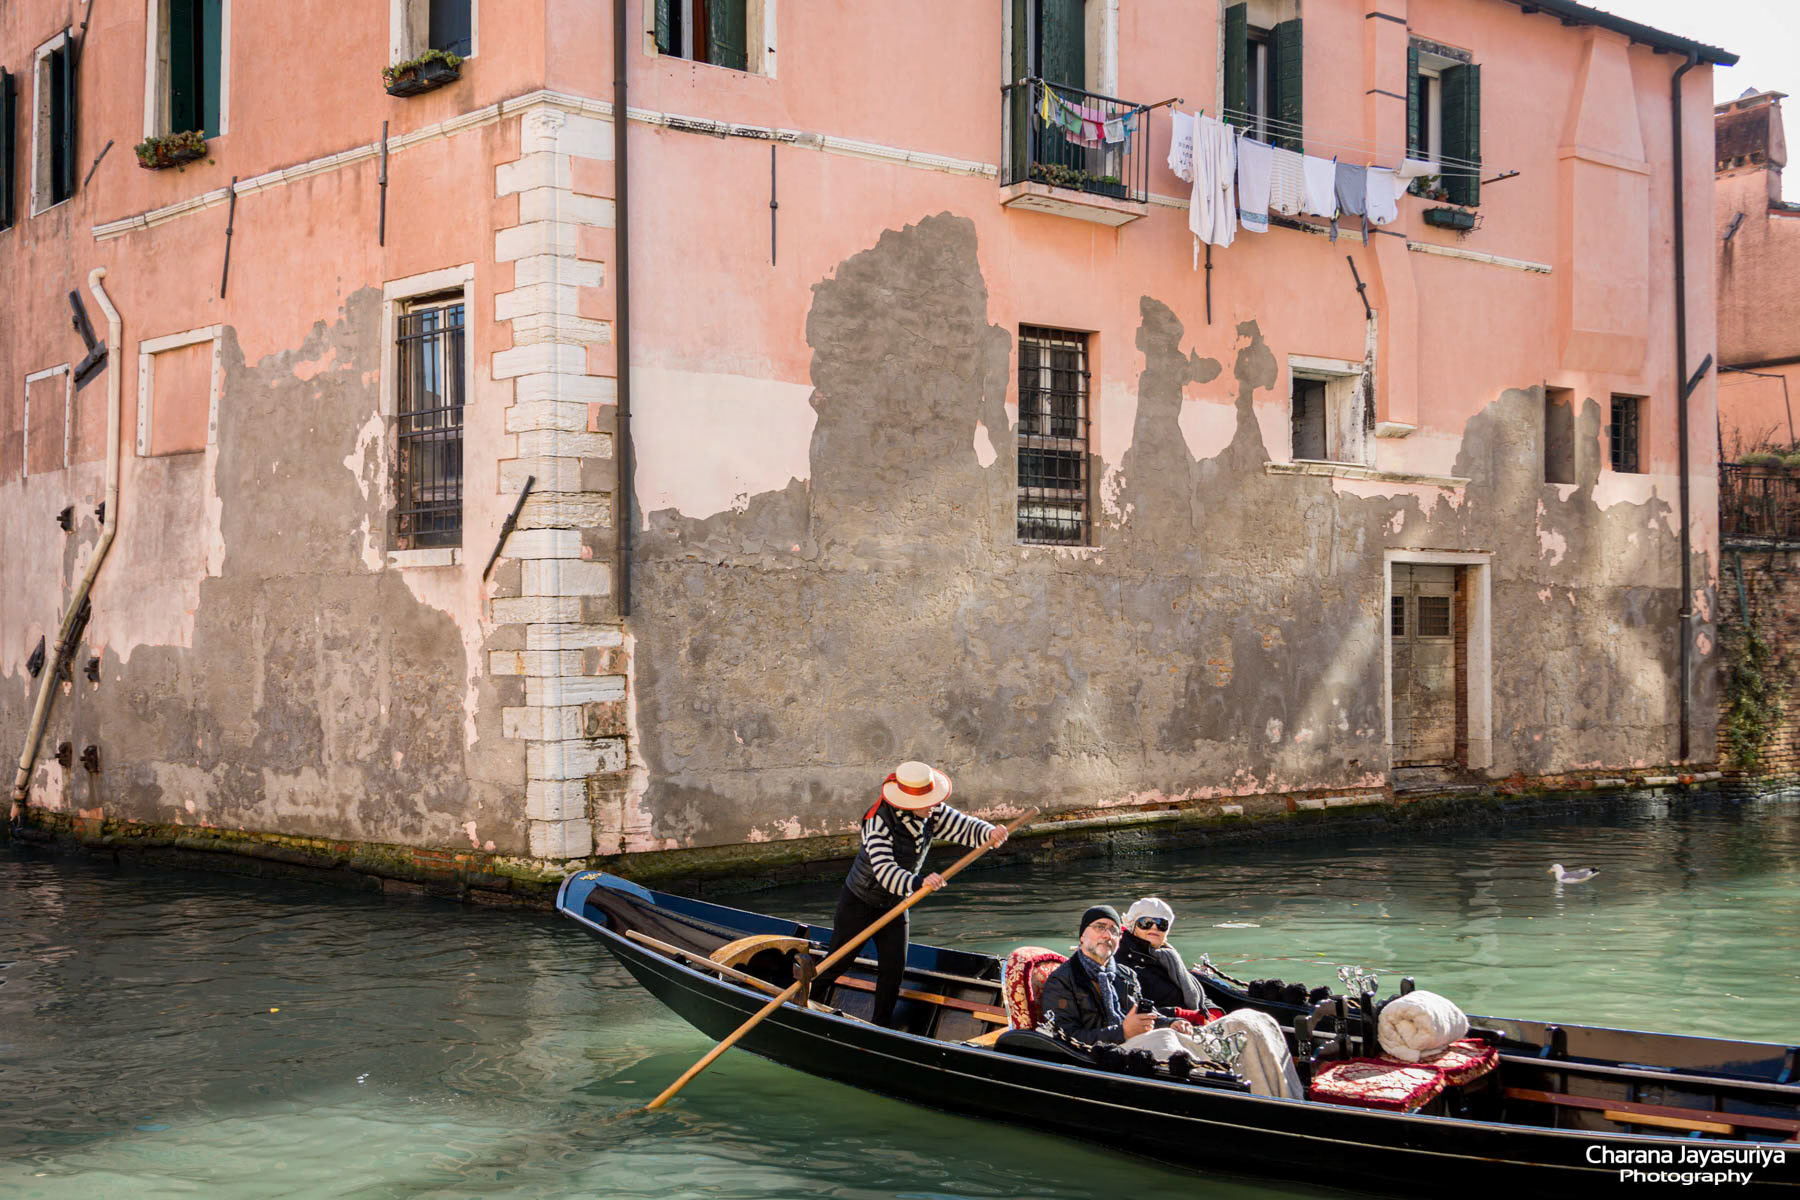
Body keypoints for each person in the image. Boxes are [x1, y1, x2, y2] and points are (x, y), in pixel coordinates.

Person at [808, 761, 1006, 1027]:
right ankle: (806, 1000)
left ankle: (881, 1026)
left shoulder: (931, 810)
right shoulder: (877, 821)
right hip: (860, 901)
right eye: (928, 802)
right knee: (838, 962)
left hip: (896, 903)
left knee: (893, 970)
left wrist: (988, 832)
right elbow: (883, 870)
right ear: (908, 803)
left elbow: (963, 825)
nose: (934, 806)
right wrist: (919, 882)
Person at [1038, 903, 1303, 1099]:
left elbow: (1147, 1012)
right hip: (1107, 1055)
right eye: (1099, 928)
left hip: (1143, 1038)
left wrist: (1172, 1021)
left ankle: (1283, 1099)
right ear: (1082, 936)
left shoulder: (1124, 974)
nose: (1107, 935)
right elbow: (1065, 1038)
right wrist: (1123, 1031)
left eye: (1113, 930)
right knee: (1162, 1039)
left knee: (1251, 1020)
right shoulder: (1062, 981)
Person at [1114, 896, 1209, 1019]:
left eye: (1161, 924)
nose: (1154, 927)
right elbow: (1129, 1009)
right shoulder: (1122, 960)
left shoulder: (1169, 957)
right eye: (1145, 923)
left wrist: (1213, 1011)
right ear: (1133, 927)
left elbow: (1198, 993)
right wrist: (1179, 1015)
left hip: (1192, 1022)